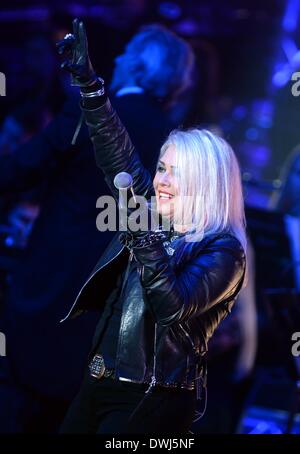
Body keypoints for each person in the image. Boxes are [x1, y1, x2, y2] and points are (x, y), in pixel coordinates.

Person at [0, 24, 195, 433]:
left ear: (137, 66)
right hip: (114, 322)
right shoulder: (178, 147)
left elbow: (16, 171)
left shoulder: (88, 112)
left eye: (124, 54)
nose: (117, 60)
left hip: (49, 296)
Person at [57, 19, 246, 434]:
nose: (159, 180)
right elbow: (117, 154)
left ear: (202, 181)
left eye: (173, 173)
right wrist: (90, 87)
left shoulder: (224, 250)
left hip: (150, 400)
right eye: (160, 167)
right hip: (97, 383)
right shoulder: (153, 212)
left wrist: (142, 232)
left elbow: (173, 307)